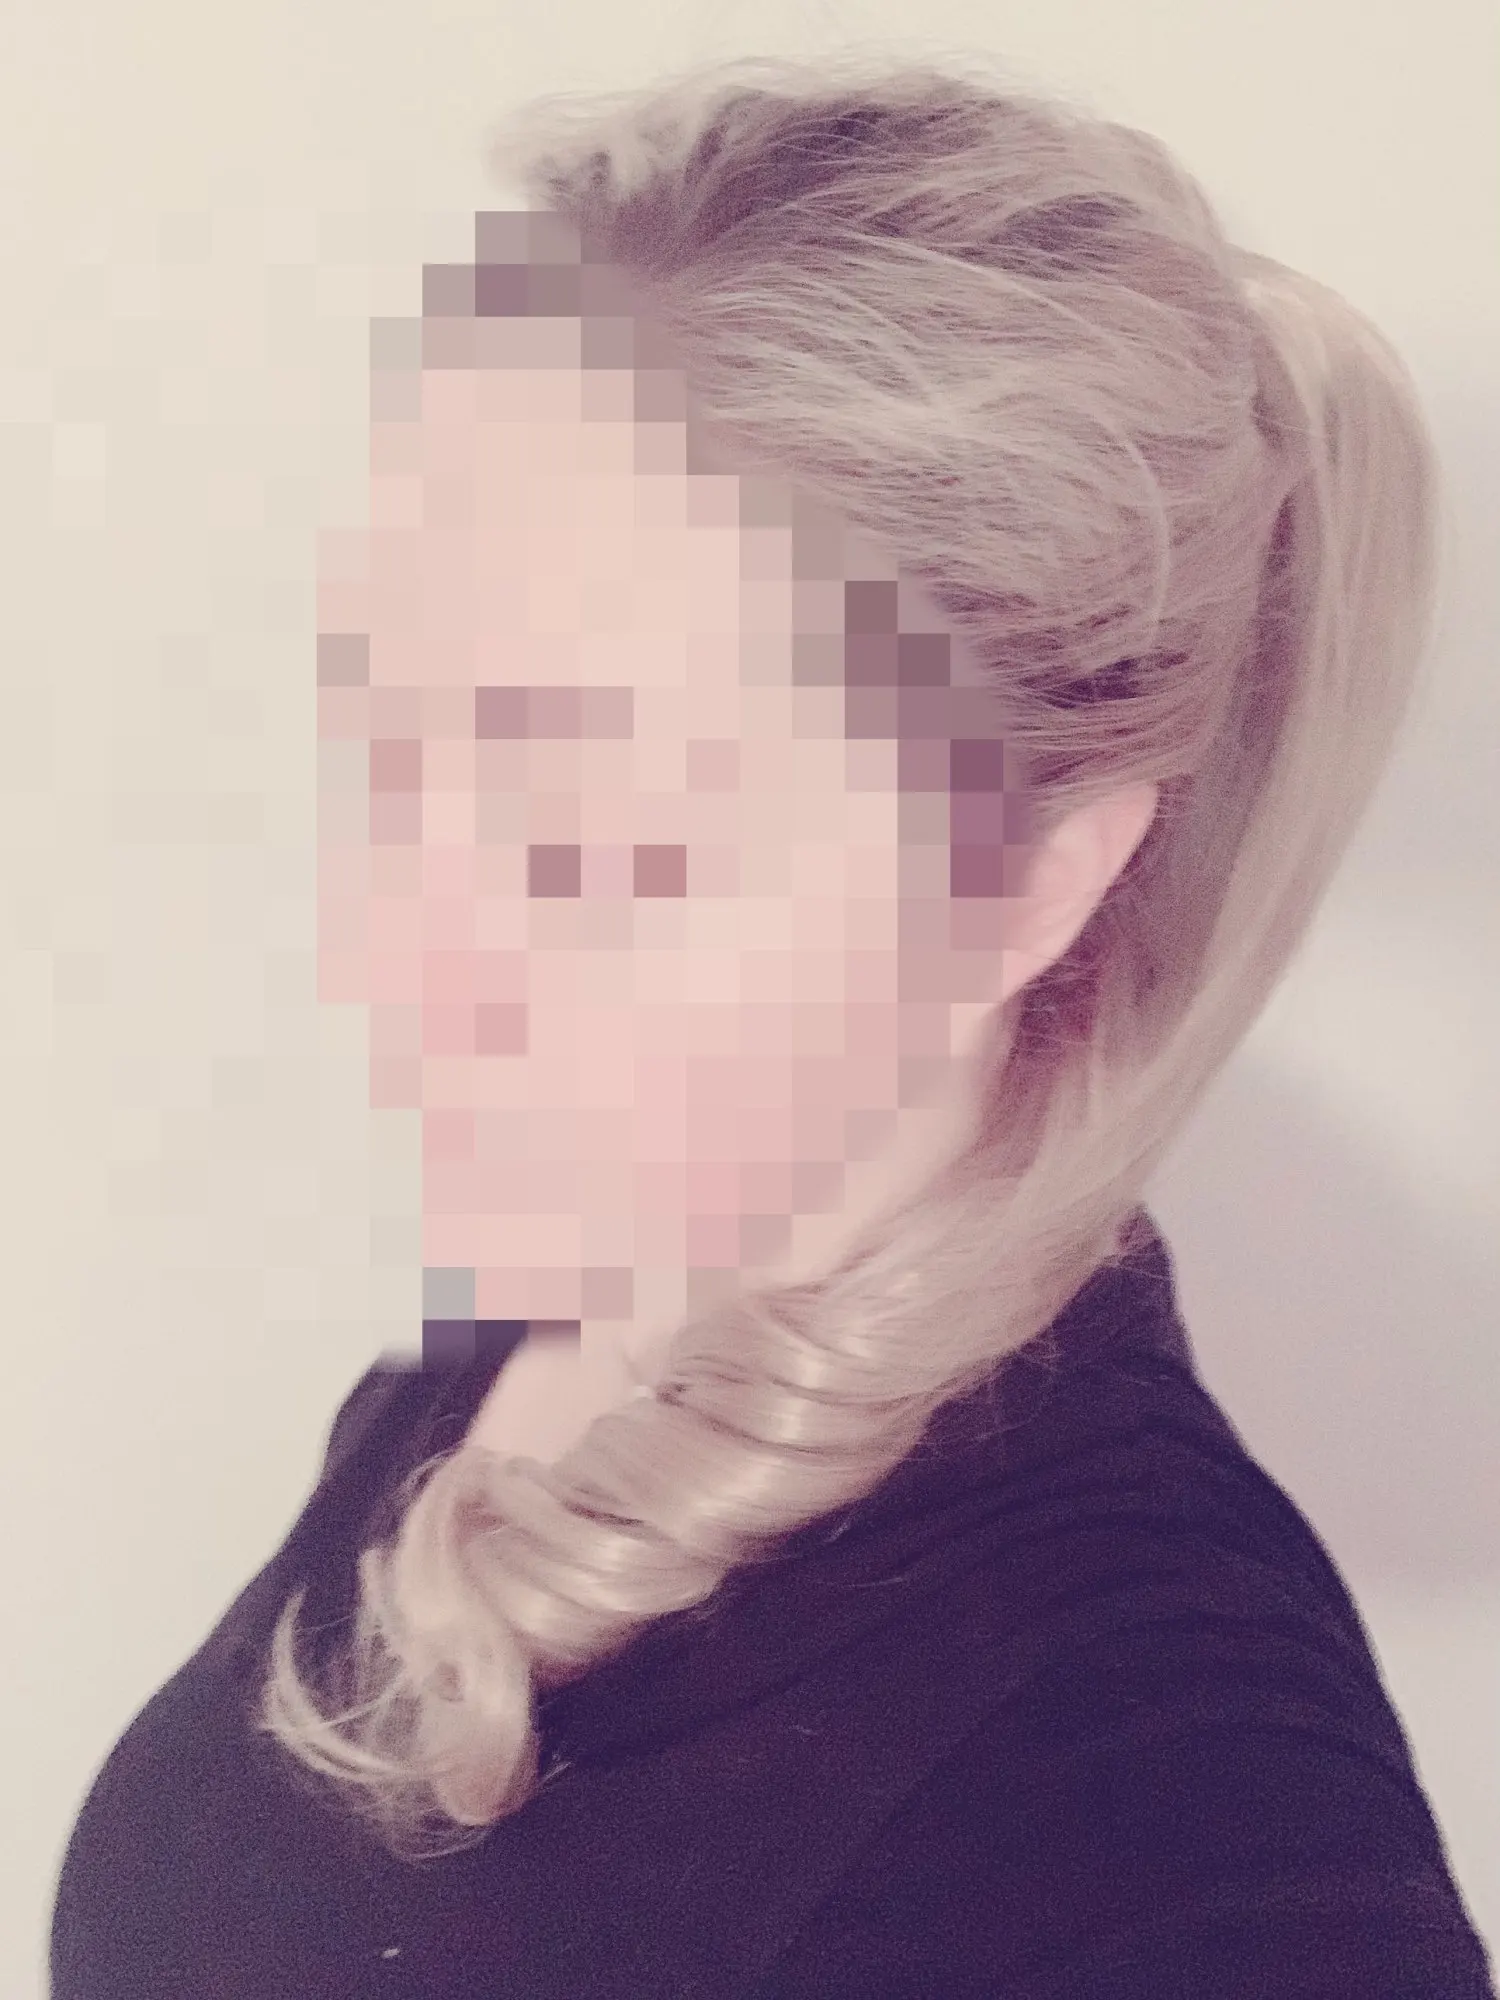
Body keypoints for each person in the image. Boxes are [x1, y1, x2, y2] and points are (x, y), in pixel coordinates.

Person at [50, 50, 1495, 1998]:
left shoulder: (1174, 1791)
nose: (385, 955)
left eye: (597, 840)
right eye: (396, 748)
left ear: (1028, 880)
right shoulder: (526, 1329)